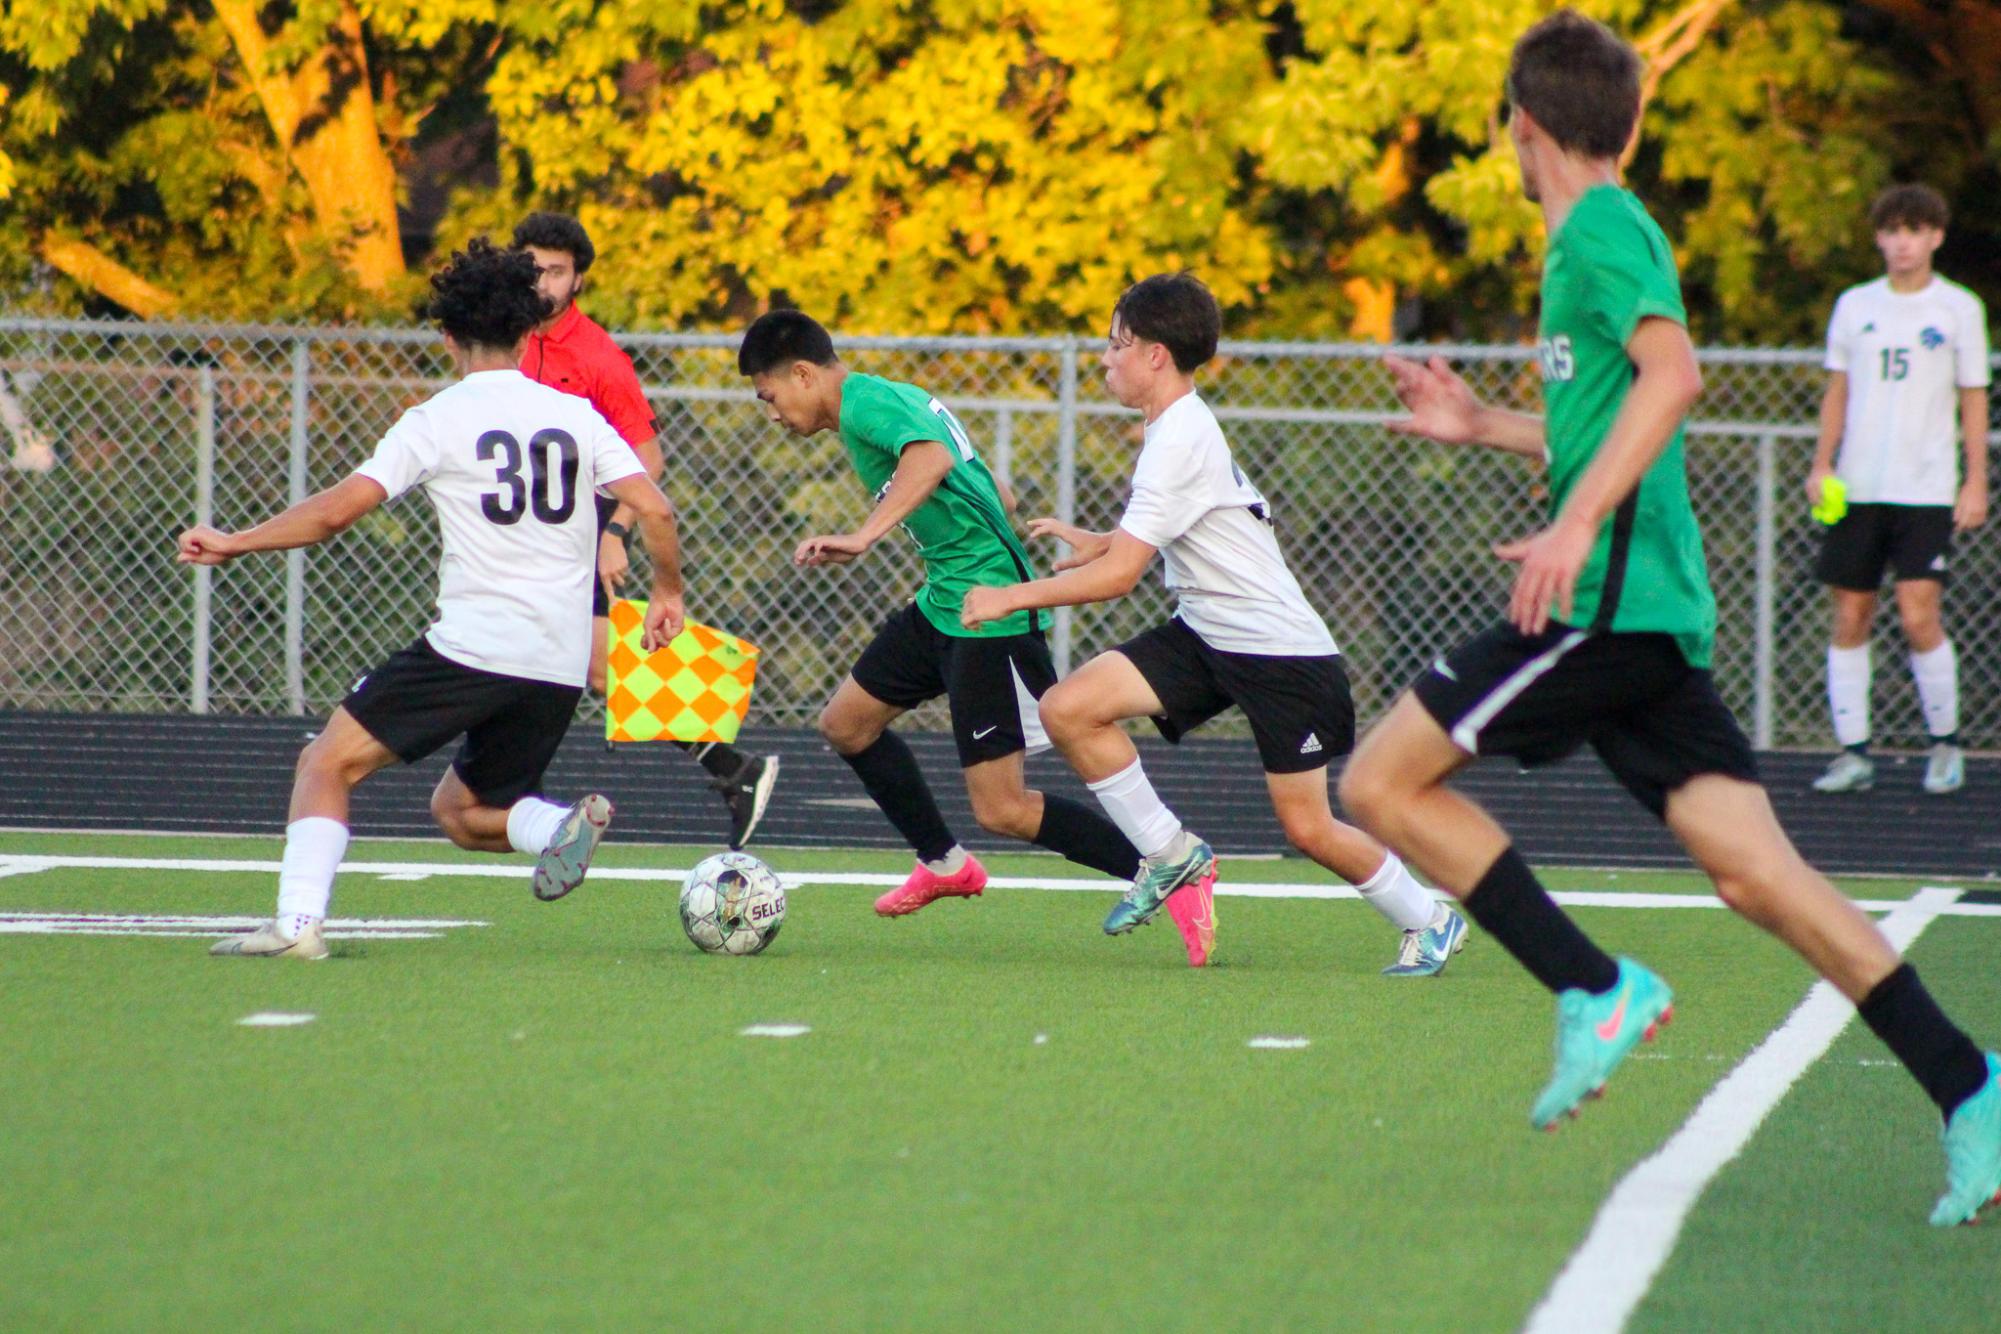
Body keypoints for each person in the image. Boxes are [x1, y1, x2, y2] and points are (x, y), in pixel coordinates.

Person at [1336, 10, 1999, 1226]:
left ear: (1520, 128)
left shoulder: (1591, 232)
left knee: (1377, 784)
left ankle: (1592, 984)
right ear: (1633, 123)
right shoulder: (1605, 234)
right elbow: (1614, 421)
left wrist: (1578, 525)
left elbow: (1675, 378)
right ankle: (1973, 1085)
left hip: (1605, 611)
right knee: (1763, 880)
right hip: (1650, 617)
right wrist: (1483, 425)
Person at [176, 238, 685, 959]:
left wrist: (235, 539)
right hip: (558, 661)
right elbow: (655, 509)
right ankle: (554, 827)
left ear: (447, 335)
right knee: (461, 811)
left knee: (325, 764)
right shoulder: (576, 416)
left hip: (473, 648)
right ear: (530, 329)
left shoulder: (436, 418)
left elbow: (333, 513)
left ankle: (295, 930)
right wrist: (668, 590)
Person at [960, 273, 1468, 973]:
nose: (1105, 359)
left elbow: (1118, 582)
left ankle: (1430, 919)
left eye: (1115, 346)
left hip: (1280, 656)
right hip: (1205, 633)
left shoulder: (1177, 438)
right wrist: (1101, 537)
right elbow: (1187, 526)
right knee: (1069, 709)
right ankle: (1171, 855)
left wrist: (1008, 597)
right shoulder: (1174, 426)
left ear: (1154, 356)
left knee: (1308, 827)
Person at [737, 310, 1144, 914]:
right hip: (943, 601)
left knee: (1002, 809)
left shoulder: (862, 404)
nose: (772, 414)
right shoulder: (883, 399)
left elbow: (931, 461)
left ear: (802, 374)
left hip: (987, 614)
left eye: (769, 397)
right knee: (846, 725)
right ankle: (944, 863)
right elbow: (998, 494)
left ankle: (1160, 867)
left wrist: (864, 536)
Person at [513, 211, 780, 847]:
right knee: (568, 663)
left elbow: (648, 460)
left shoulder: (599, 357)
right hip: (525, 531)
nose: (542, 282)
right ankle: (730, 768)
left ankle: (730, 767)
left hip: (582, 527)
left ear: (578, 280)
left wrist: (617, 529)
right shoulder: (506, 341)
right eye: (533, 269)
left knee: (590, 665)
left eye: (556, 271)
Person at [1805, 184, 1990, 796]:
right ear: (1879, 237)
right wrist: (1821, 463)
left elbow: (1972, 396)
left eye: (1916, 230)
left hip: (1927, 487)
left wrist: (1975, 479)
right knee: (1851, 613)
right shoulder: (1855, 305)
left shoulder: (1958, 308)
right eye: (1893, 230)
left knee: (1918, 614)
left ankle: (1945, 744)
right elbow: (1839, 390)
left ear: (1936, 237)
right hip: (1858, 487)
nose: (1903, 242)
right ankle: (1853, 752)